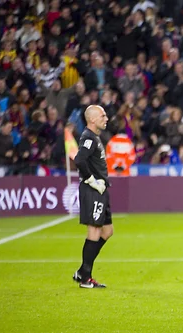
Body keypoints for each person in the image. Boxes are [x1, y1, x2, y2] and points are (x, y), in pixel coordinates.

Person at [72, 105, 112, 289]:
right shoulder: (88, 137)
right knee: (94, 232)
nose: (107, 118)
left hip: (101, 189)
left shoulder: (94, 137)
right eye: (103, 115)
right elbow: (79, 160)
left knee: (107, 231)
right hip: (93, 189)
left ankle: (82, 271)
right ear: (93, 119)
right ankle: (85, 277)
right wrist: (91, 180)